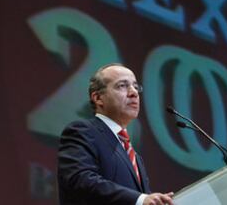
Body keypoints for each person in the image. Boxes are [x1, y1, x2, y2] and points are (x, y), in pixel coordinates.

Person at [57, 64, 174, 205]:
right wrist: (141, 199)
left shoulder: (135, 156)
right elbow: (80, 180)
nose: (134, 93)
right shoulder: (82, 131)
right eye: (122, 86)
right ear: (98, 98)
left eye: (136, 87)